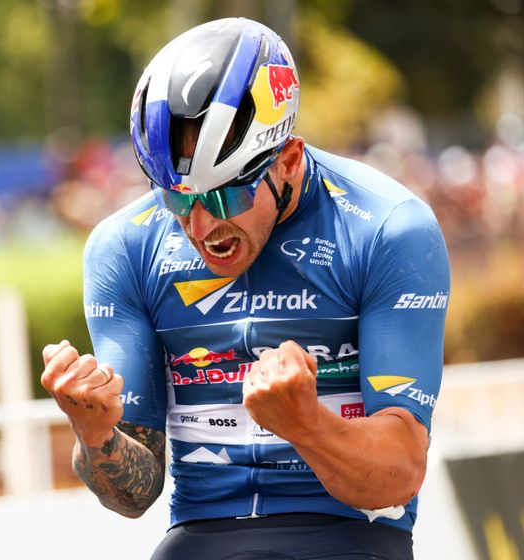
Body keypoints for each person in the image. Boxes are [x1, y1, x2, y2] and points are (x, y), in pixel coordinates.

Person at [41, 17, 449, 560]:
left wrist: (306, 425)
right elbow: (133, 496)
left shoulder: (386, 228)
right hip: (200, 537)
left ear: (287, 160)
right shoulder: (124, 246)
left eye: (224, 198)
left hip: (349, 535)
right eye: (177, 201)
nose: (200, 226)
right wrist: (96, 437)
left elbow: (398, 477)